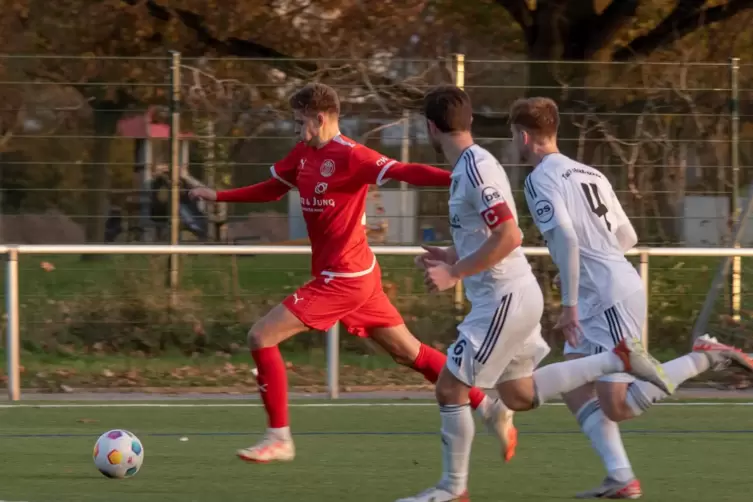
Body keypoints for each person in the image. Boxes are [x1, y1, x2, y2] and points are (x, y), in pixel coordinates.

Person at [189, 82, 506, 464]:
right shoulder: (304, 154)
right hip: (360, 275)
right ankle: (489, 407)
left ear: (319, 118)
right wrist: (218, 196)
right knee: (411, 353)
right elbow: (273, 188)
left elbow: (406, 171)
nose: (295, 129)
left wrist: (459, 179)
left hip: (343, 279)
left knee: (261, 335)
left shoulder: (352, 156)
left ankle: (279, 437)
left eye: (298, 121)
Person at [395, 86, 673, 502]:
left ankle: (452, 489)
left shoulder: (477, 169)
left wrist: (454, 271)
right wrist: (453, 253)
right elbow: (492, 234)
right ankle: (615, 362)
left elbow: (509, 235)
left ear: (431, 128)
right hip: (514, 294)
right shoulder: (471, 167)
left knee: (451, 388)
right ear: (468, 121)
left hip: (503, 299)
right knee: (518, 395)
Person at [515, 96, 753, 499]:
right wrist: (593, 270)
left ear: (522, 136)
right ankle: (621, 477)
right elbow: (628, 237)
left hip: (606, 298)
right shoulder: (590, 173)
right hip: (609, 287)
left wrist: (572, 300)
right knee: (576, 385)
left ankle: (707, 355)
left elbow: (568, 239)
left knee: (617, 405)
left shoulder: (539, 179)